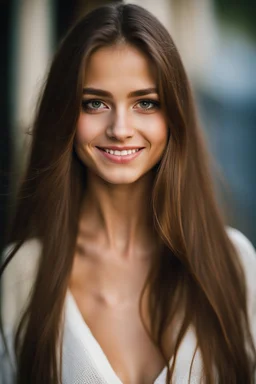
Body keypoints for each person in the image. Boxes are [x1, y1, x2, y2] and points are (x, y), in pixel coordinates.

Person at [1, 2, 256, 384]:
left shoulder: (234, 265)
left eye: (145, 102)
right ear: (65, 113)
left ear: (174, 116)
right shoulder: (20, 273)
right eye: (96, 103)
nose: (120, 128)